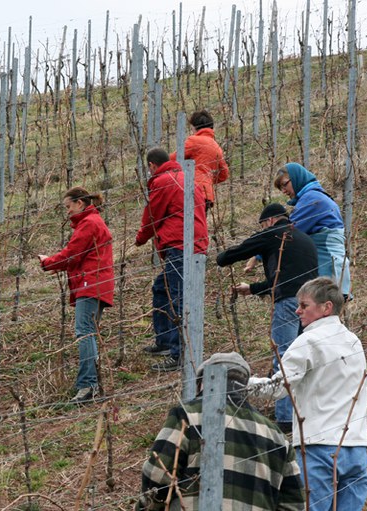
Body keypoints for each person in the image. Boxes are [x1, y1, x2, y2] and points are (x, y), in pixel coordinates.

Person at [248, 277, 367, 510]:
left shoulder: (308, 341)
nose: (297, 310)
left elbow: (277, 388)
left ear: (326, 308)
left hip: (319, 447)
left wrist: (238, 382)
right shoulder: (354, 341)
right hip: (356, 447)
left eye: (304, 305)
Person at [137, 352, 305, 510]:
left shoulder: (187, 416)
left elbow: (157, 476)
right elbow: (294, 503)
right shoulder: (276, 436)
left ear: (203, 382)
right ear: (245, 385)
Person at [216, 202, 318, 433]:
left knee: (284, 359)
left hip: (289, 305)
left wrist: (220, 257)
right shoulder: (304, 239)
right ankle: (303, 413)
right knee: (304, 358)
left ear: (270, 221)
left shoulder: (274, 234)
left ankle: (284, 420)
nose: (263, 229)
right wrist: (252, 288)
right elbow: (285, 278)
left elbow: (239, 251)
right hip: (311, 304)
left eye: (263, 225)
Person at [38, 187, 114, 404]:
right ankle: (92, 383)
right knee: (89, 332)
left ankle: (88, 385)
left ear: (79, 203)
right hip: (96, 283)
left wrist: (48, 262)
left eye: (68, 206)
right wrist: (58, 265)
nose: (67, 211)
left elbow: (73, 254)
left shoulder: (89, 223)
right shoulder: (92, 222)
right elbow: (81, 256)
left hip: (91, 285)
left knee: (85, 332)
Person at [136, 147, 209, 372]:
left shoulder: (163, 181)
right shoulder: (187, 179)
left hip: (180, 245)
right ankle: (166, 342)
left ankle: (179, 354)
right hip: (193, 243)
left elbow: (153, 214)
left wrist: (140, 238)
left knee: (177, 296)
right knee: (162, 288)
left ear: (151, 166)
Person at [274, 162, 352, 298]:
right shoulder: (314, 197)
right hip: (331, 269)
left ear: (297, 178)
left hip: (328, 270)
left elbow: (289, 232)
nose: (284, 191)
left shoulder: (312, 199)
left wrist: (257, 255)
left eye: (285, 184)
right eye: (281, 188)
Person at [169, 109, 229, 210]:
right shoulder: (216, 147)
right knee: (199, 224)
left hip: (190, 190)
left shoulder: (193, 140)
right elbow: (224, 174)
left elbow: (174, 158)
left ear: (194, 127)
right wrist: (208, 179)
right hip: (207, 195)